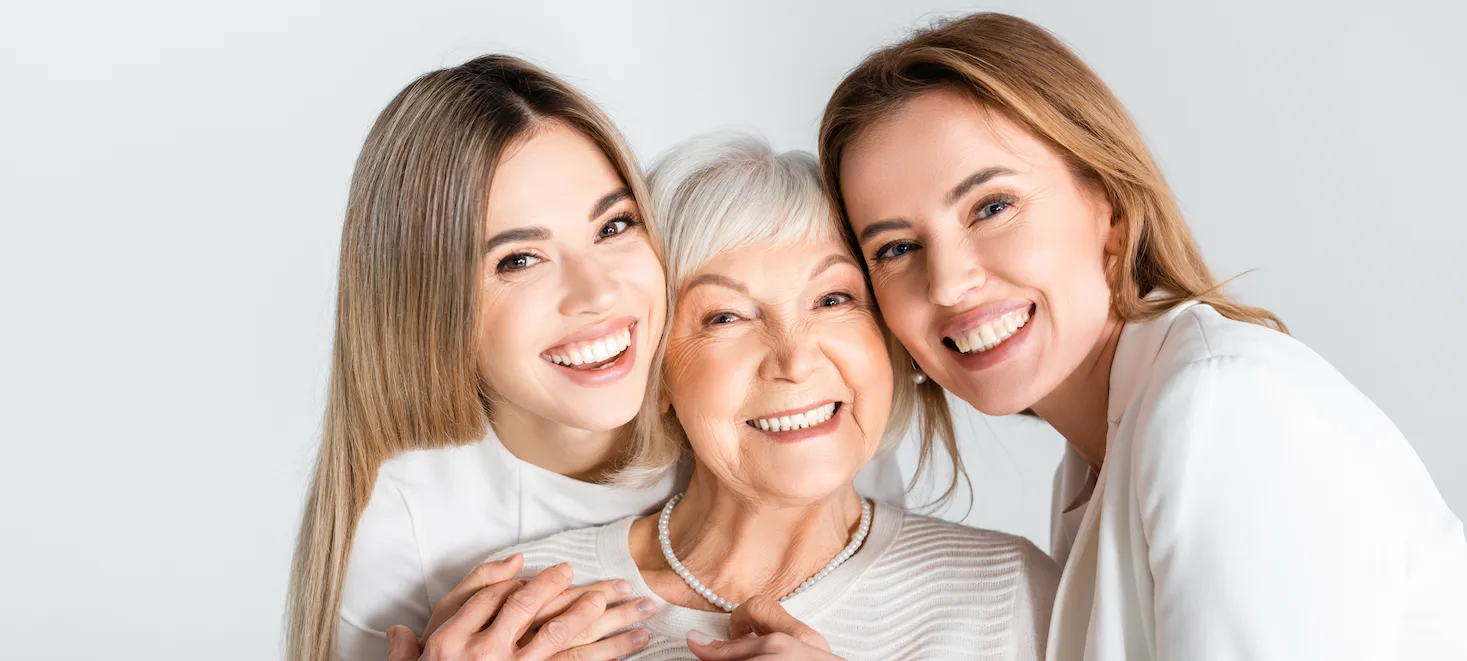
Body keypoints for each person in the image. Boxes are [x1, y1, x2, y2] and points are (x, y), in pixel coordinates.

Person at [819, 12, 1467, 660]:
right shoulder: (1098, 458)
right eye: (897, 247)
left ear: (1109, 202)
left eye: (991, 207)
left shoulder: (1219, 408)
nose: (948, 283)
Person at [286, 55, 905, 661]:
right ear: (431, 308)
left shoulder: (790, 423)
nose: (598, 294)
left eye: (613, 226)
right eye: (519, 260)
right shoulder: (407, 523)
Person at [478, 133, 1059, 661]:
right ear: (654, 375)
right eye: (725, 317)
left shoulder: (1010, 595)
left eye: (832, 300)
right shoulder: (525, 609)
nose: (795, 359)